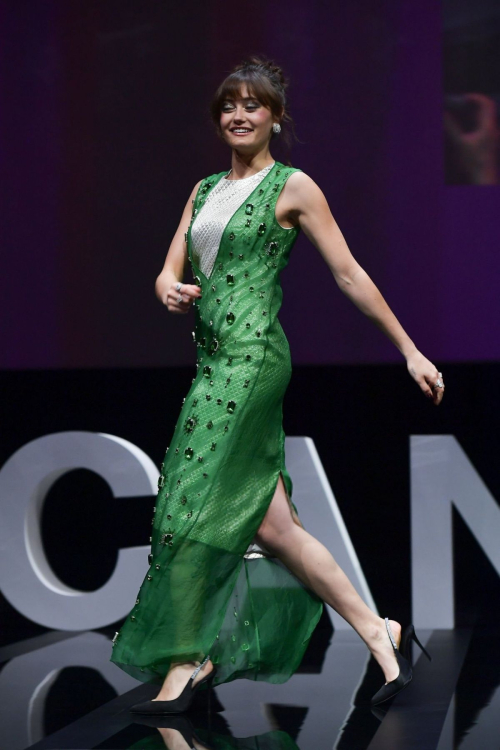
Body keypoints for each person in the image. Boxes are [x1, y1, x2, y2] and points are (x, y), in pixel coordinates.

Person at [110, 56, 444, 714]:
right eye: (229, 105)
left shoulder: (293, 187)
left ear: (275, 117)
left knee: (185, 504)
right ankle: (380, 632)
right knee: (275, 528)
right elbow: (167, 268)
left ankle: (186, 660)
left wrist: (408, 349)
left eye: (252, 104)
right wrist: (169, 289)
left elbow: (348, 273)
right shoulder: (204, 190)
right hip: (211, 363)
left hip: (253, 360)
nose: (239, 113)